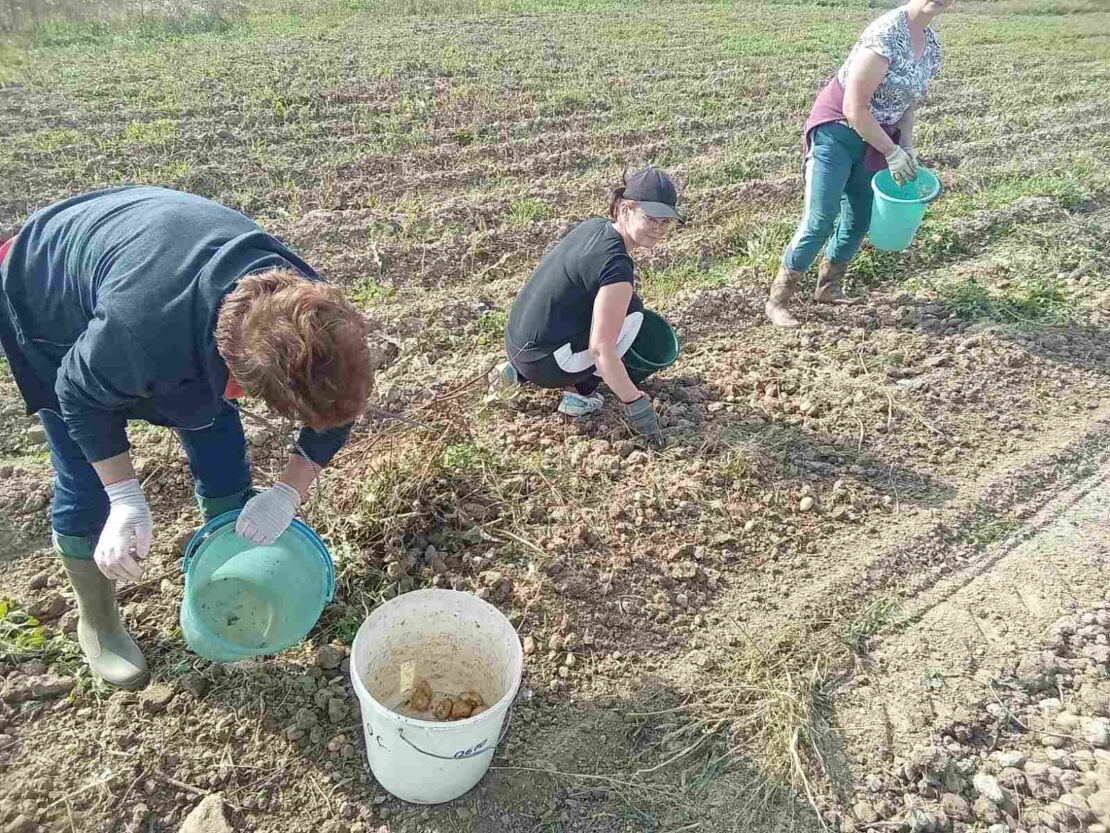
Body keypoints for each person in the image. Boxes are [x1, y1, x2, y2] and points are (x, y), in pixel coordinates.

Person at [0, 187, 372, 688]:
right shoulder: (140, 330)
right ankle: (99, 622)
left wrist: (289, 489)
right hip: (46, 287)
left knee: (215, 437)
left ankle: (229, 564)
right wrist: (124, 496)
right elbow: (78, 394)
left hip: (157, 263)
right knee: (82, 474)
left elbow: (336, 403)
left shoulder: (312, 310)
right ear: (234, 369)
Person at [766, 0, 947, 327]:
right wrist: (891, 152)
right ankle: (778, 300)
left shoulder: (931, 46)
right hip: (838, 130)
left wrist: (906, 146)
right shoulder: (887, 33)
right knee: (820, 219)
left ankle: (829, 287)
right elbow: (854, 107)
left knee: (860, 217)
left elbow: (908, 104)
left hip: (878, 136)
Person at [489, 167, 683, 445]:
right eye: (650, 218)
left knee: (595, 304)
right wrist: (635, 403)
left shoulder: (593, 227)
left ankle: (514, 372)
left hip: (517, 344)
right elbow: (601, 349)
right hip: (545, 365)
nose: (658, 228)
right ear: (626, 210)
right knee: (633, 312)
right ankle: (579, 394)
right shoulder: (616, 267)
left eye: (665, 222)